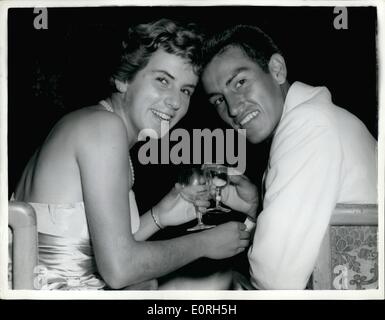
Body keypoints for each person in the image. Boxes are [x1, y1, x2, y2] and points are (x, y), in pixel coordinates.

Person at [11, 19, 251, 290]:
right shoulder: (102, 128)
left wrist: (160, 216)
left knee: (220, 282)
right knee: (222, 283)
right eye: (163, 80)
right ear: (124, 79)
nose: (176, 102)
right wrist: (206, 243)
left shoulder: (98, 125)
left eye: (186, 90)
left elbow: (91, 247)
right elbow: (120, 269)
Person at [200, 24, 377, 289]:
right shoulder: (318, 115)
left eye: (240, 82)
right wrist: (256, 206)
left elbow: (274, 281)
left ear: (276, 69)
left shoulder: (308, 123)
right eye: (218, 100)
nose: (233, 109)